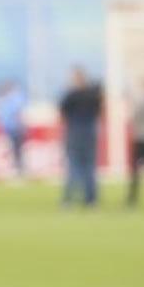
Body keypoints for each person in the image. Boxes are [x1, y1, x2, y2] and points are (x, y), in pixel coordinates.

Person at [58, 66, 102, 207]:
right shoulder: (93, 95)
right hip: (90, 131)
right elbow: (100, 111)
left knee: (74, 166)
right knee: (89, 167)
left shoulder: (71, 95)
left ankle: (68, 199)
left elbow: (62, 113)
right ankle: (91, 200)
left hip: (75, 131)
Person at [0, 80, 27, 180]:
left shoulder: (14, 99)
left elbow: (18, 114)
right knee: (15, 150)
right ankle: (17, 170)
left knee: (17, 150)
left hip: (15, 129)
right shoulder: (8, 99)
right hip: (11, 128)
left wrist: (20, 126)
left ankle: (18, 171)